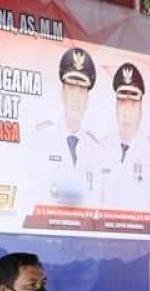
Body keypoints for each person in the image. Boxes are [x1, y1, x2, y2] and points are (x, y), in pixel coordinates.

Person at [31, 46, 101, 207]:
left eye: (82, 89)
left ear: (87, 99)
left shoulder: (96, 148)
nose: (76, 97)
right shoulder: (41, 139)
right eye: (71, 87)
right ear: (62, 93)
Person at [100, 62, 150, 210]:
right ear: (115, 107)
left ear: (141, 108)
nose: (127, 113)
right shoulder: (102, 147)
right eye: (122, 104)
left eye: (132, 104)